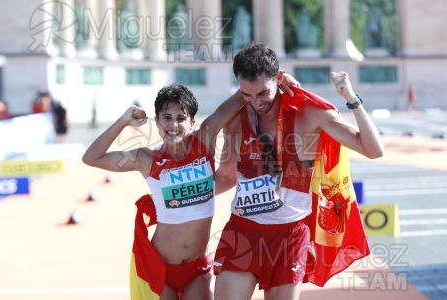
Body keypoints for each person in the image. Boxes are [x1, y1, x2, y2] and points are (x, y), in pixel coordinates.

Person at [81, 79, 298, 299]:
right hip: (160, 268)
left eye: (180, 118)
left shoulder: (204, 140)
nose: (173, 125)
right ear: (157, 122)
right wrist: (124, 120)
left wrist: (274, 78)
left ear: (192, 122)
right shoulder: (146, 158)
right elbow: (91, 158)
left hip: (197, 270)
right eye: (167, 118)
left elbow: (238, 100)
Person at [213, 42, 384, 300]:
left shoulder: (309, 114)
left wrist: (351, 99)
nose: (255, 102)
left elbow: (373, 150)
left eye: (262, 93)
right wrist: (183, 199)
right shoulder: (236, 119)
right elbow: (226, 176)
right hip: (243, 231)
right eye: (246, 95)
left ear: (278, 78)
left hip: (289, 235)